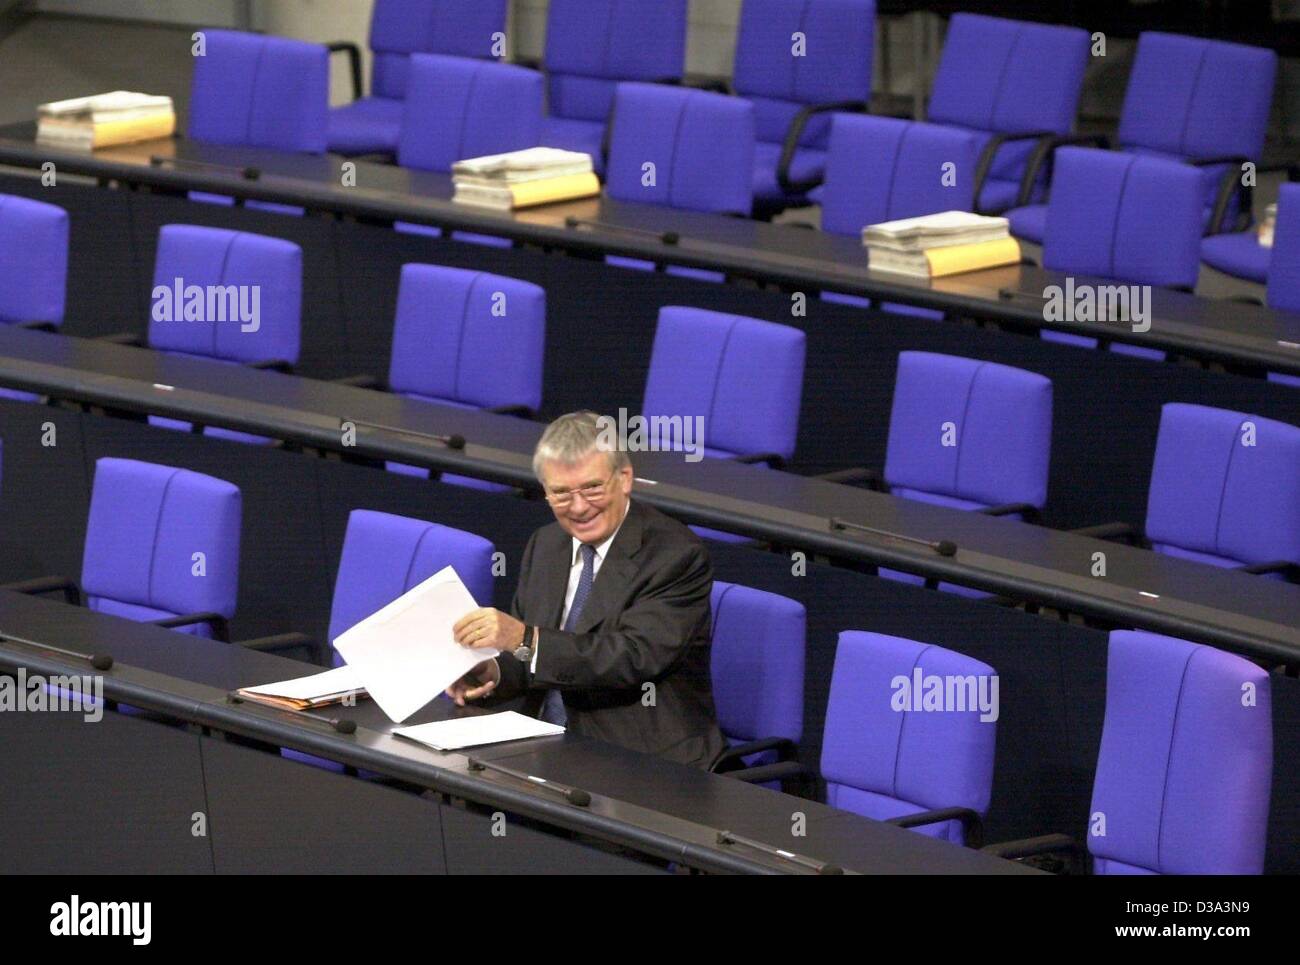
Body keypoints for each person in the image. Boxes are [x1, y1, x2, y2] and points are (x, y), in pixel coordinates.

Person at [448, 410, 727, 769]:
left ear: (624, 478)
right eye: (561, 494)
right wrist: (491, 672)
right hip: (543, 741)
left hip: (641, 755)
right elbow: (532, 656)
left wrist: (524, 639)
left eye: (592, 488)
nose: (579, 508)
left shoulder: (676, 556)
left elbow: (629, 657)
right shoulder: (546, 544)